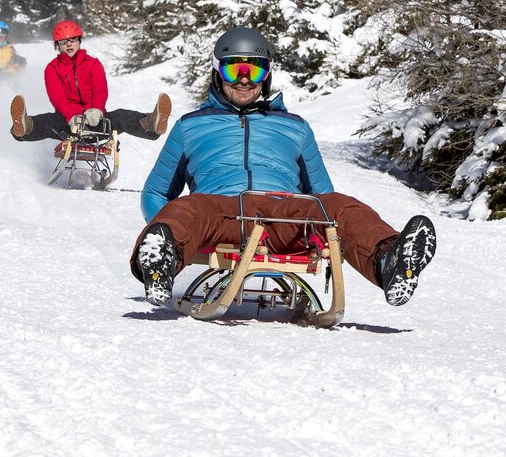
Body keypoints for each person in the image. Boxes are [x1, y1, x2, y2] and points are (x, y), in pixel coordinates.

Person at [130, 26, 436, 308]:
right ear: (217, 71)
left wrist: (322, 231)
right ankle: (161, 258)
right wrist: (171, 225)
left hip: (283, 215)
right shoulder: (190, 126)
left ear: (267, 75)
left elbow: (321, 194)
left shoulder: (295, 127)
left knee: (340, 206)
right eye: (234, 69)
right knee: (189, 208)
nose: (244, 79)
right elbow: (156, 192)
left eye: (255, 70)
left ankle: (390, 260)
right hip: (220, 212)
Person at [9, 19, 171, 143]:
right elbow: (57, 97)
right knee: (49, 121)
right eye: (63, 42)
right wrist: (71, 116)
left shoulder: (93, 64)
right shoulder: (53, 68)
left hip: (96, 122)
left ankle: (151, 124)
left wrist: (97, 110)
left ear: (79, 40)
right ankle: (24, 127)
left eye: (73, 39)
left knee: (121, 115)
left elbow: (100, 90)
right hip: (67, 125)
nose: (69, 44)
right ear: (57, 45)